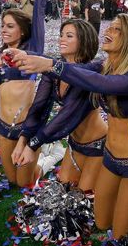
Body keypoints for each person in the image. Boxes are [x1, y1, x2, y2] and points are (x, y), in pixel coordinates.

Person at [11, 13, 128, 238]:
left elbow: (101, 85)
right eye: (110, 27)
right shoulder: (104, 66)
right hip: (107, 157)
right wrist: (30, 56)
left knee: (117, 231)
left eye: (116, 30)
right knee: (98, 220)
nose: (108, 32)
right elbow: (75, 69)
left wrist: (49, 64)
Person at [12, 19, 107, 194]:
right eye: (61, 35)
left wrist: (34, 144)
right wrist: (23, 139)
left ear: (84, 40)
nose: (61, 39)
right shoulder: (54, 69)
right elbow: (39, 107)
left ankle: (55, 152)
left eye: (69, 36)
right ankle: (56, 152)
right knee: (63, 189)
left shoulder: (89, 73)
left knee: (82, 197)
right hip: (74, 142)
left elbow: (67, 116)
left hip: (98, 143)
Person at [0, 0, 47, 189]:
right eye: (2, 26)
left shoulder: (31, 51)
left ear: (22, 31)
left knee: (25, 182)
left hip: (27, 127)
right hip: (4, 127)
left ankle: (47, 161)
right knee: (13, 180)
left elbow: (39, 15)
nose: (4, 30)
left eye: (10, 26)